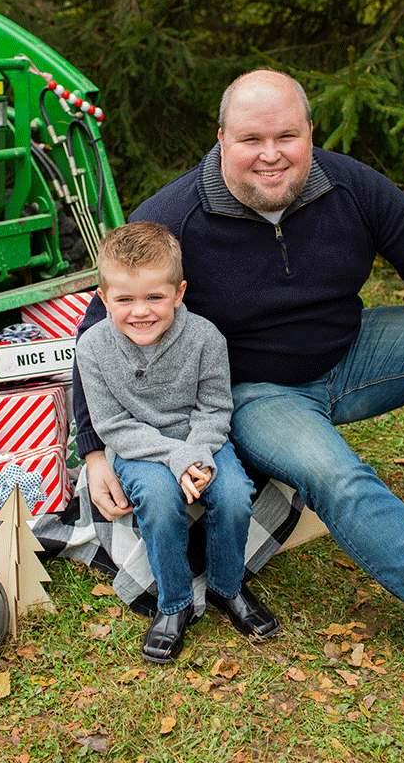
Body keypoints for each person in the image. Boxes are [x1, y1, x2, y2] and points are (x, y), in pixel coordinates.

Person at [73, 68, 404, 661]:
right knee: (337, 476)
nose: (271, 156)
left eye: (287, 136)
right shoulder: (174, 217)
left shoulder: (353, 188)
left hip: (354, 352)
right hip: (258, 392)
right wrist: (93, 451)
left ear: (310, 133)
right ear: (221, 140)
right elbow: (96, 332)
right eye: (251, 140)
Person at [76, 221, 278, 663]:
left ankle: (228, 586)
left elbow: (214, 409)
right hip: (139, 446)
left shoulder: (205, 337)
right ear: (104, 298)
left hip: (201, 439)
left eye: (154, 297)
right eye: (124, 299)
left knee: (233, 493)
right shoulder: (92, 348)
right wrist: (175, 458)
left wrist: (198, 455)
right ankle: (175, 603)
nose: (140, 311)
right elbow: (111, 424)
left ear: (179, 292)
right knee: (160, 499)